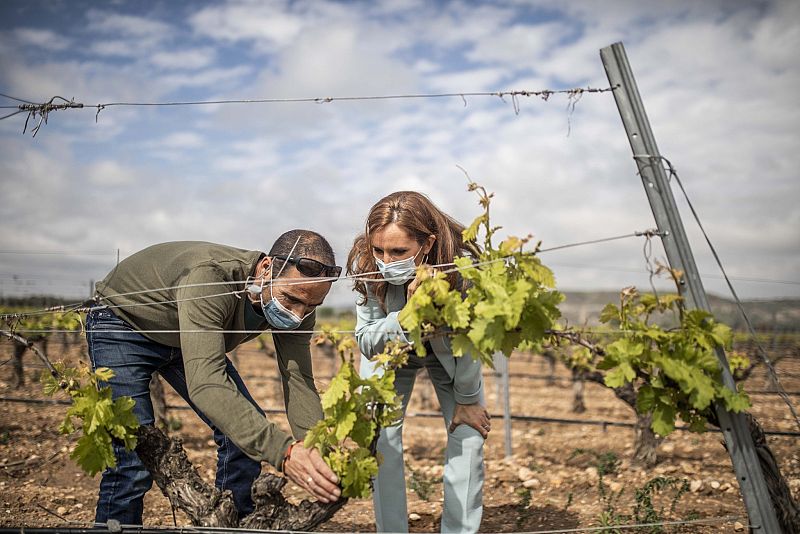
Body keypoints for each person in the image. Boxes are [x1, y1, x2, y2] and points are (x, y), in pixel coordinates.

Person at [86, 231, 342, 525]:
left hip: (185, 335)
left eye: (311, 307)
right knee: (131, 457)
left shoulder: (302, 299)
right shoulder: (210, 278)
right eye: (290, 299)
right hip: (123, 323)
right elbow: (206, 384)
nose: (298, 314)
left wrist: (321, 453)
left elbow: (298, 381)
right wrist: (284, 453)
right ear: (266, 268)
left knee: (242, 439)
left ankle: (227, 527)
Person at [348, 192, 490, 533]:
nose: (385, 260)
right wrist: (406, 316)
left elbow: (472, 340)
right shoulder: (367, 266)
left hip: (447, 353)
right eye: (379, 249)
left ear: (427, 243)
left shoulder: (463, 268)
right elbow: (367, 341)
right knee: (381, 440)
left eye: (398, 252)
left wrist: (469, 401)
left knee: (469, 433)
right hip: (390, 351)